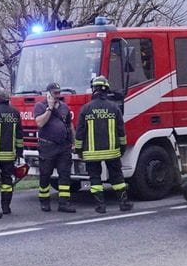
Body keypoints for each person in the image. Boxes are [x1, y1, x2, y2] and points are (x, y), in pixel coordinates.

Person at [75, 77, 130, 214]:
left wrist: (79, 150)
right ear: (106, 89)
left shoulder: (86, 109)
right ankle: (123, 203)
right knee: (117, 177)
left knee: (95, 179)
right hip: (112, 152)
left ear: (94, 89)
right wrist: (122, 147)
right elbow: (121, 131)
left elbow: (80, 132)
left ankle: (100, 206)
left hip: (91, 153)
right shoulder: (114, 107)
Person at [34, 82, 76, 213]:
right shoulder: (40, 106)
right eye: (55, 93)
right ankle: (44, 201)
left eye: (59, 92)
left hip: (63, 147)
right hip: (47, 146)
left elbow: (70, 125)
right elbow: (40, 123)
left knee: (64, 175)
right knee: (45, 175)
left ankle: (64, 203)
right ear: (48, 94)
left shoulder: (64, 107)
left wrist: (74, 142)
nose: (58, 95)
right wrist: (50, 108)